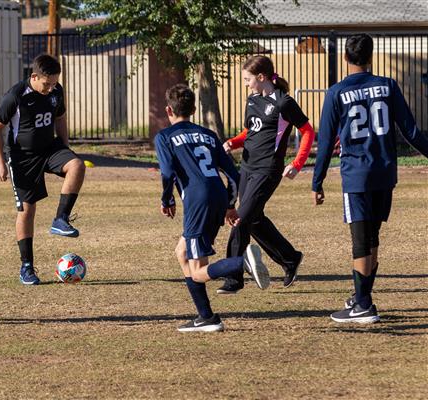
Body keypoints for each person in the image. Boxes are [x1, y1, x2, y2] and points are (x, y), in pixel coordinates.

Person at [313, 34, 428, 323]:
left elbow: (325, 142)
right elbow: (411, 131)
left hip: (358, 176)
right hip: (384, 172)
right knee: (372, 238)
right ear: (371, 57)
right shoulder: (387, 85)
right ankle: (362, 297)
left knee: (361, 242)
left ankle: (363, 304)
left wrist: (317, 181)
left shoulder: (336, 92)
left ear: (345, 58)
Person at [155, 83, 270, 333]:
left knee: (197, 271)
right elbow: (233, 174)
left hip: (198, 200)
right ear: (194, 109)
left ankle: (241, 264)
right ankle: (206, 317)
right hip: (217, 194)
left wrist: (167, 200)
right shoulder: (208, 135)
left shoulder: (164, 137)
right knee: (182, 252)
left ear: (168, 110)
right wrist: (229, 205)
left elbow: (166, 173)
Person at [217, 55, 316, 294]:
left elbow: (308, 131)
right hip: (248, 168)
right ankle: (290, 259)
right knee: (254, 220)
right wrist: (234, 142)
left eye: (247, 79)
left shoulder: (284, 103)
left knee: (241, 218)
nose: (245, 83)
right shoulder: (252, 100)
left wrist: (297, 163)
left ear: (261, 78)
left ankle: (233, 278)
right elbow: (251, 131)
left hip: (268, 170)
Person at [0, 54, 85, 285]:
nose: (51, 88)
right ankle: (27, 268)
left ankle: (60, 220)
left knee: (77, 165)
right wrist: (0, 162)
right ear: (34, 76)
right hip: (22, 158)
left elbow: (60, 118)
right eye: (47, 83)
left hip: (49, 148)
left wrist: (65, 146)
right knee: (27, 210)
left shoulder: (55, 91)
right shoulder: (15, 96)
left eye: (54, 83)